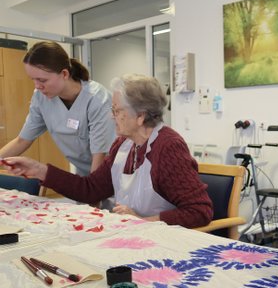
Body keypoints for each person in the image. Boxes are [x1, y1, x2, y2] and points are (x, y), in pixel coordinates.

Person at [4, 74, 213, 229]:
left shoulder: (168, 147)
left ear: (140, 116)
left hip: (163, 242)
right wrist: (39, 170)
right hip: (135, 235)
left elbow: (199, 211)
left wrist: (144, 222)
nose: (112, 116)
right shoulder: (123, 144)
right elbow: (91, 189)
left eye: (117, 110)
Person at [0, 41, 115, 176]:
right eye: (33, 79)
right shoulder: (41, 97)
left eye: (42, 80)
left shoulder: (97, 99)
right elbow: (22, 140)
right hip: (85, 175)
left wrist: (91, 192)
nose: (37, 86)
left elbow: (99, 156)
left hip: (110, 175)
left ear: (64, 74)